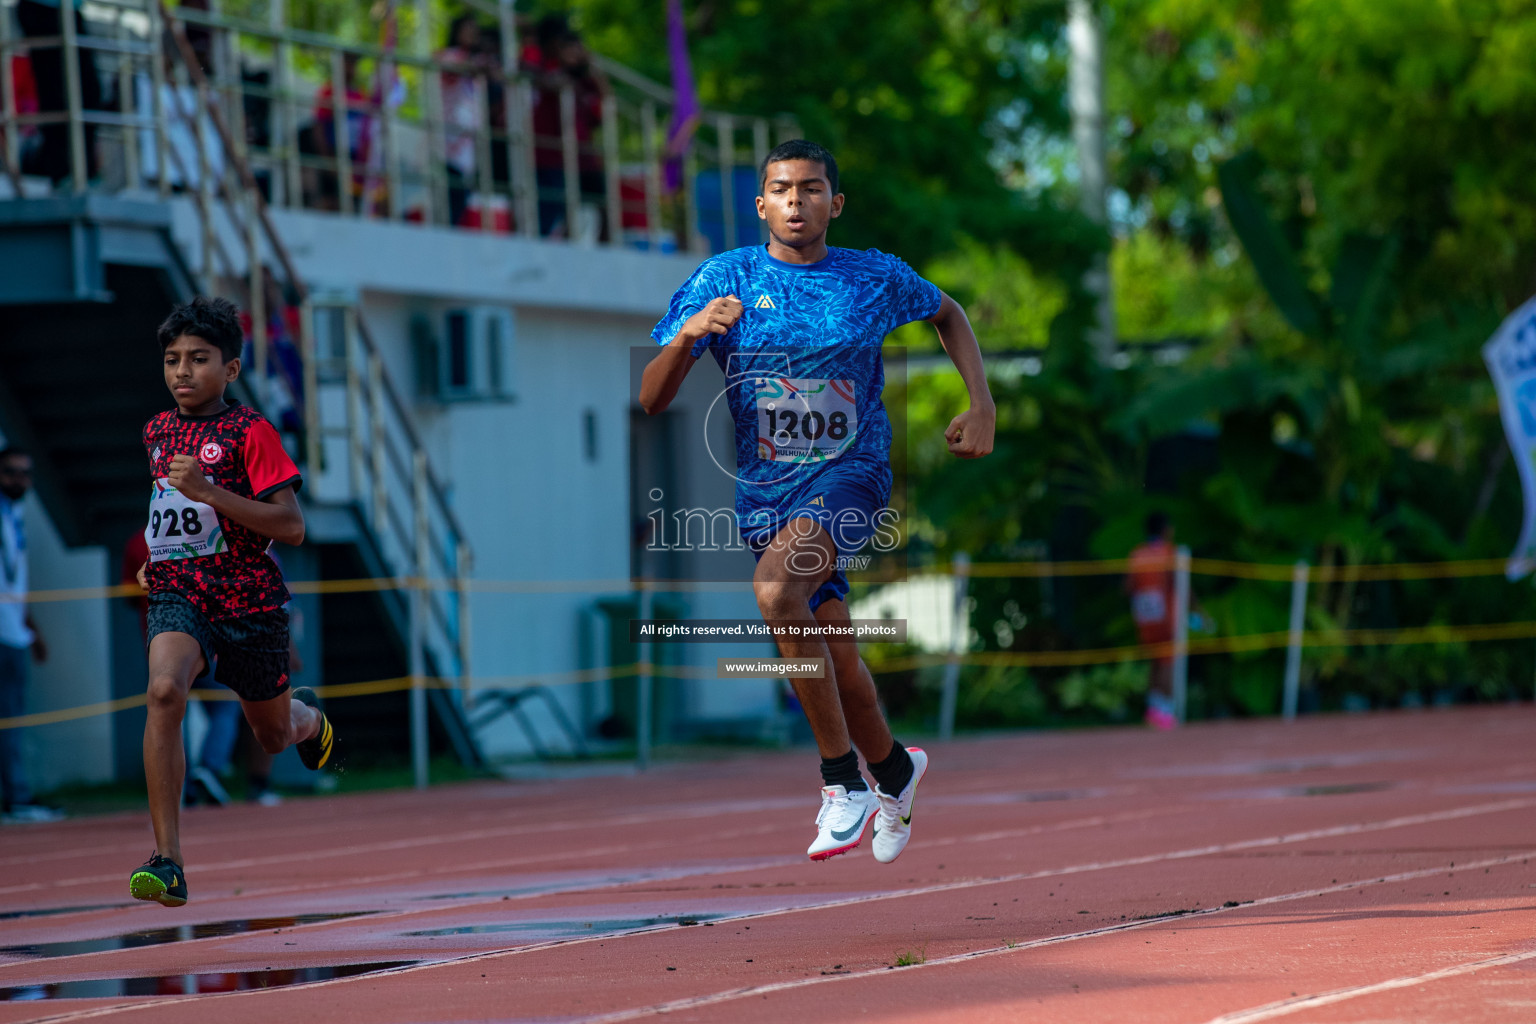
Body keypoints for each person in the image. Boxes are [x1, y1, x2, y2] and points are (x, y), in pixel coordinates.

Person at [639, 140, 995, 862]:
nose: (796, 202)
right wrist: (687, 337)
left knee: (775, 592)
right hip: (766, 497)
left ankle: (843, 783)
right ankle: (894, 770)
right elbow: (650, 399)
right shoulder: (724, 279)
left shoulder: (873, 277)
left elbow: (948, 312)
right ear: (761, 203)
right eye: (781, 189)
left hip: (851, 477)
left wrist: (981, 402)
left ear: (835, 202)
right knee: (839, 662)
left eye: (810, 189)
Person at [130, 296, 334, 907]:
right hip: (180, 592)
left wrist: (211, 491)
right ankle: (168, 862)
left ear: (233, 369)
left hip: (248, 597)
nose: (183, 372)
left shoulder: (252, 431)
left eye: (198, 359)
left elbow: (291, 528)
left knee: (271, 737)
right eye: (172, 360)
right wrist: (155, 557)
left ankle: (308, 718)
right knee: (165, 691)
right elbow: (171, 513)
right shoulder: (157, 430)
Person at [0, 447, 62, 824]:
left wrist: (32, 629)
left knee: (13, 717)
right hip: (4, 633)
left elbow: (16, 583)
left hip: (13, 630)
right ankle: (18, 797)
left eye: (25, 473)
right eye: (11, 472)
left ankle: (18, 793)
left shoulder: (15, 515)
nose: (20, 480)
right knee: (9, 717)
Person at [1127, 512, 1178, 730]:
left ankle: (1152, 709)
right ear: (1165, 530)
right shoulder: (1168, 553)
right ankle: (1164, 711)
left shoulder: (1137, 555)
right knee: (1167, 660)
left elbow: (1128, 586)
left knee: (1154, 660)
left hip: (1144, 612)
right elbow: (1177, 582)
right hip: (1164, 611)